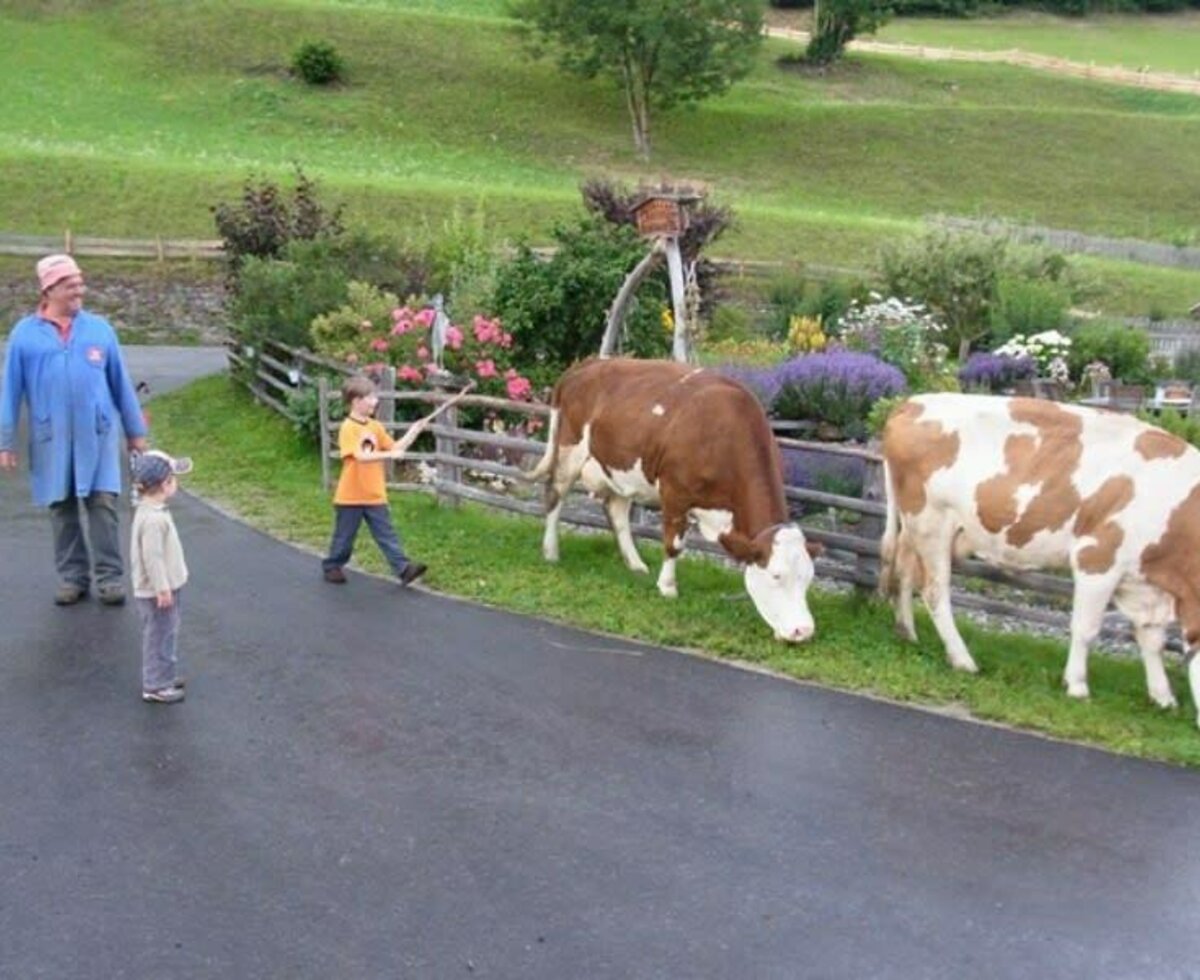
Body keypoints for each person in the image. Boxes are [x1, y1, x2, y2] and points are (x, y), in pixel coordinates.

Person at [0, 254, 147, 606]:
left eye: (80, 282)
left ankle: (109, 580)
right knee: (61, 508)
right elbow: (10, 391)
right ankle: (72, 578)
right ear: (49, 289)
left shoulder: (100, 330)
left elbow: (121, 385)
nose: (80, 289)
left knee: (102, 506)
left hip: (96, 436)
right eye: (71, 284)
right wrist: (6, 441)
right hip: (50, 438)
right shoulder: (24, 335)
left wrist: (135, 434)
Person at [322, 375, 428, 587]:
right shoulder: (348, 428)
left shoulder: (375, 426)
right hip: (351, 496)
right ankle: (333, 565)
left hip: (374, 494)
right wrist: (388, 456)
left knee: (386, 534)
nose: (375, 401)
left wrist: (413, 431)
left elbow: (395, 448)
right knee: (344, 537)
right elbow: (360, 456)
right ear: (355, 401)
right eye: (370, 398)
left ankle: (404, 569)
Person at [130, 450, 192, 704]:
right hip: (159, 591)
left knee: (166, 631)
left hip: (164, 587)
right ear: (165, 485)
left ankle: (164, 675)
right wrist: (162, 588)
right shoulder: (154, 519)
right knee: (160, 634)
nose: (176, 483)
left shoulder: (150, 510)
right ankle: (155, 685)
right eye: (174, 479)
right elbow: (152, 558)